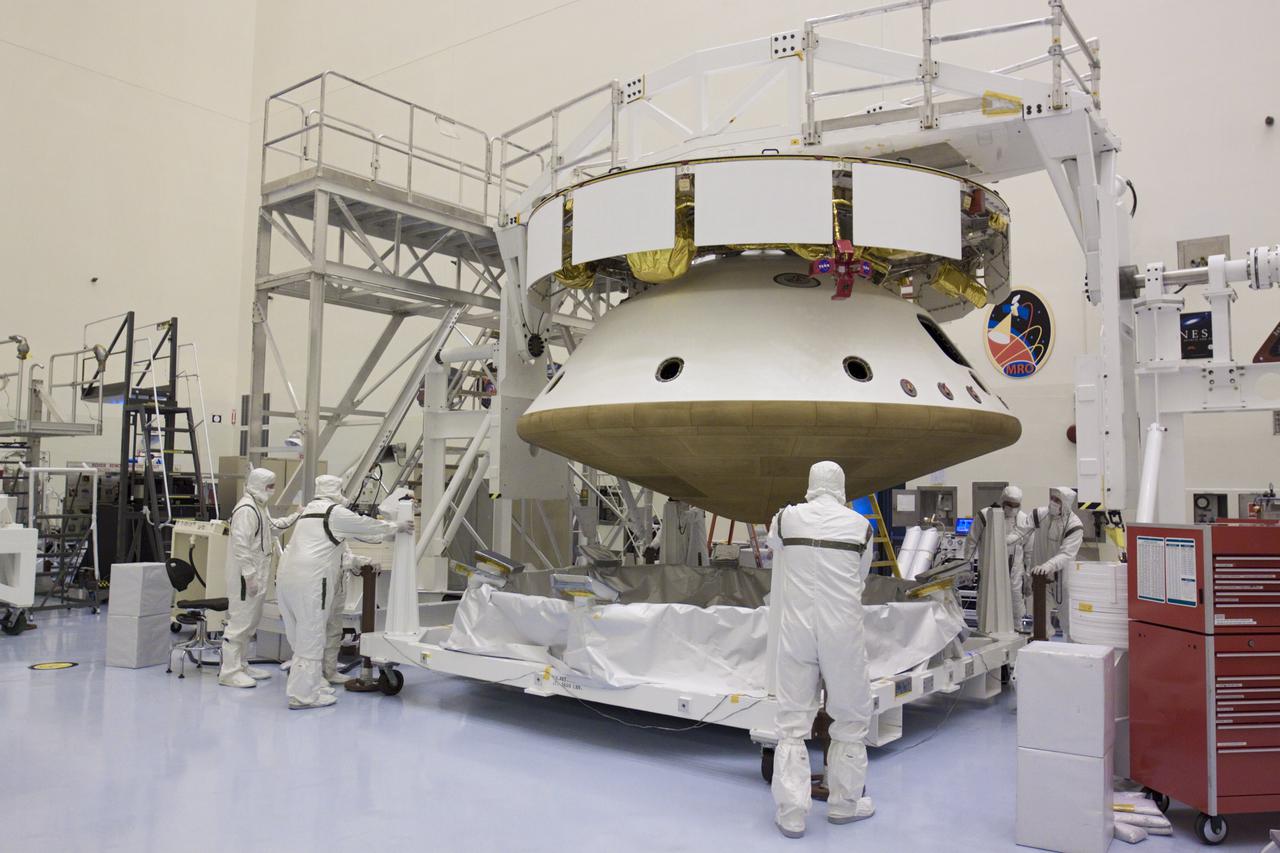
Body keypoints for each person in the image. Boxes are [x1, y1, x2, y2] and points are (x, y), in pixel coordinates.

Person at [766, 461, 874, 839]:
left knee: (792, 720)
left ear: (810, 484)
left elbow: (773, 547)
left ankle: (792, 813)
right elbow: (860, 574)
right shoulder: (861, 526)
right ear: (842, 485)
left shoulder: (786, 519)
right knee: (850, 715)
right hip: (842, 631)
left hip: (797, 629)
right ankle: (845, 804)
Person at [276, 475, 409, 709]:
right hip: (311, 582)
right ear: (337, 490)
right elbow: (367, 527)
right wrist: (397, 526)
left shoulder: (308, 512)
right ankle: (304, 697)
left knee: (300, 637)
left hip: (287, 579)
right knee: (312, 635)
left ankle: (310, 684)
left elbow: (338, 545)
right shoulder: (334, 512)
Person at [218, 468, 299, 688]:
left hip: (257, 574)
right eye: (269, 486)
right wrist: (250, 576)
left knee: (251, 622)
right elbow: (241, 545)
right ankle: (229, 671)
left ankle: (242, 665)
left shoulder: (259, 507)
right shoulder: (246, 509)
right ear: (258, 484)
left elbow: (271, 529)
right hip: (246, 577)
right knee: (240, 623)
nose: (272, 491)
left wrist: (296, 516)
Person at [964, 485, 1033, 631]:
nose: (1012, 508)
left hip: (1014, 570)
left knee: (1015, 602)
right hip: (990, 567)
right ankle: (985, 629)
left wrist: (1028, 577)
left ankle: (1017, 629)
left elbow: (1029, 552)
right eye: (1009, 504)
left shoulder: (1024, 520)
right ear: (1003, 501)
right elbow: (971, 542)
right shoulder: (985, 516)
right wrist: (967, 567)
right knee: (988, 600)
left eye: (1016, 505)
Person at [1028, 487, 1085, 639]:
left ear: (1066, 504)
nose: (1052, 502)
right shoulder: (1040, 515)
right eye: (1052, 498)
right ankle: (1041, 647)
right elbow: (1022, 533)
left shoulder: (1074, 525)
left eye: (1057, 500)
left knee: (1068, 619)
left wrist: (1049, 566)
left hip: (1062, 578)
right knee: (1040, 619)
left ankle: (1075, 650)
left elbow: (1067, 554)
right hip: (1040, 578)